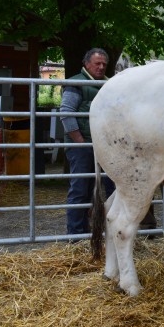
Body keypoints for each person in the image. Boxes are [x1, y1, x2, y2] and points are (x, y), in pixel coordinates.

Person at [60, 48, 115, 235]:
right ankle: (76, 234)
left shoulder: (109, 84)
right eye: (97, 63)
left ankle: (109, 230)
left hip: (105, 145)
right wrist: (81, 143)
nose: (101, 67)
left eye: (104, 64)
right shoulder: (76, 83)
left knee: (111, 187)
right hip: (82, 144)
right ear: (86, 64)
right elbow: (66, 113)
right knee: (81, 188)